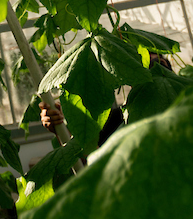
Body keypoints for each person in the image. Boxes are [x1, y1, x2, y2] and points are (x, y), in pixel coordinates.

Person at [39, 53, 174, 148]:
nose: (155, 76)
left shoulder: (187, 111)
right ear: (132, 83)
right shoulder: (115, 119)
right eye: (147, 68)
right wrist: (61, 130)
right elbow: (91, 159)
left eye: (160, 66)